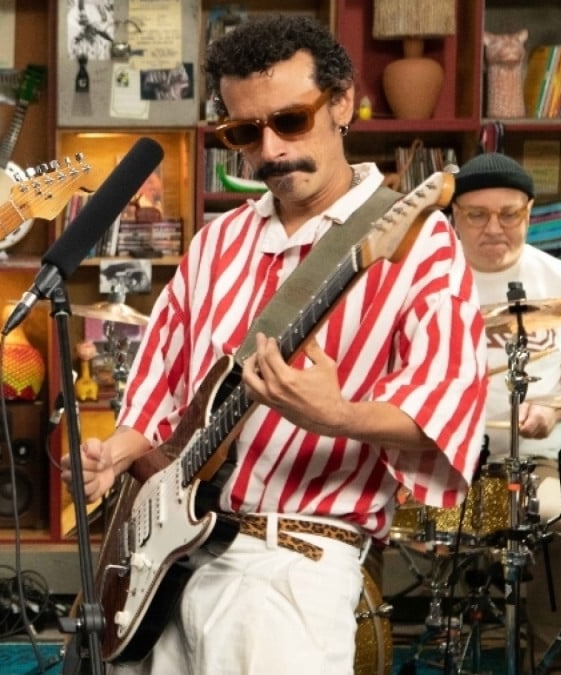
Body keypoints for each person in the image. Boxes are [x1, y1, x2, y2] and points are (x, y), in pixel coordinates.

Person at [61, 15, 488, 674]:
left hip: (294, 564)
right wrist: (114, 455)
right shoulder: (216, 243)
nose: (269, 151)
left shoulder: (420, 240)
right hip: (170, 559)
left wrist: (336, 415)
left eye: (289, 121)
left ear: (342, 102)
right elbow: (157, 398)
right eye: (243, 133)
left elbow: (450, 406)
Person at [451, 152, 561, 672]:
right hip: (438, 464)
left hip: (531, 467)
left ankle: (559, 664)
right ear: (454, 216)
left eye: (509, 213)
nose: (494, 227)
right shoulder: (421, 286)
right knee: (361, 521)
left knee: (560, 530)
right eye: (477, 214)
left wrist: (556, 408)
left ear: (530, 212)